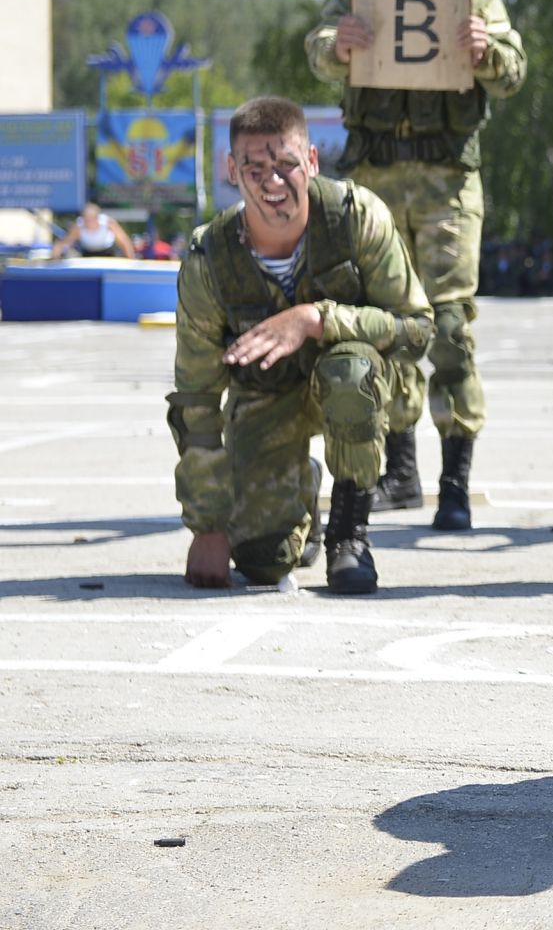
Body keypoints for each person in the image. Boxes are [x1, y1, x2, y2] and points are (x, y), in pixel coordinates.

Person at [304, 0, 527, 531]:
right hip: (372, 182)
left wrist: (486, 50)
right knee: (385, 324)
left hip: (447, 182)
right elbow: (316, 54)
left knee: (451, 328)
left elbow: (514, 71)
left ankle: (453, 481)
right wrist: (337, 43)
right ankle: (398, 469)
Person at [168, 98, 432, 594]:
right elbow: (196, 398)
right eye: (255, 167)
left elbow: (416, 328)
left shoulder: (357, 218)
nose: (273, 181)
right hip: (267, 400)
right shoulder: (210, 260)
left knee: (348, 371)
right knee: (262, 562)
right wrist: (207, 527)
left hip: (359, 388)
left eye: (286, 164)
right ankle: (301, 492)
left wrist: (317, 319)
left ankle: (348, 536)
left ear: (310, 161)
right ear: (231, 171)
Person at [49, 202, 134, 259]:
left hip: (108, 254)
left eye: (90, 219)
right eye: (86, 219)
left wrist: (131, 259)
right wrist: (54, 256)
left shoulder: (108, 223)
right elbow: (65, 242)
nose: (87, 222)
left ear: (96, 218)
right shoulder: (79, 227)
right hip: (88, 254)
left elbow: (124, 242)